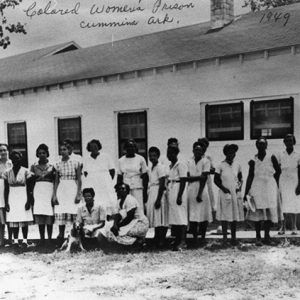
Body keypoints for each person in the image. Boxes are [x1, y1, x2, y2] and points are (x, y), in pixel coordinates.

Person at [244, 137, 281, 246]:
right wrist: (246, 191)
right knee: (257, 211)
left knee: (269, 211)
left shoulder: (271, 156)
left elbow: (278, 171)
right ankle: (258, 236)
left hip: (269, 186)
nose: (261, 146)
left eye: (263, 144)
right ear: (256, 145)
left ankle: (267, 235)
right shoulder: (253, 159)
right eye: (259, 144)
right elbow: (250, 175)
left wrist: (273, 182)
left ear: (266, 145)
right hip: (257, 186)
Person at [214, 144, 244, 246]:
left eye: (233, 152)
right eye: (229, 152)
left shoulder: (237, 165)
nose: (232, 154)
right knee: (225, 216)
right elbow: (216, 180)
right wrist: (224, 189)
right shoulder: (220, 165)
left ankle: (233, 238)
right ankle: (225, 238)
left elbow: (240, 178)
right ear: (225, 153)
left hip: (234, 193)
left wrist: (239, 188)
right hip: (225, 193)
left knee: (234, 215)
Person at [3, 150, 34, 247]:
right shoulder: (7, 172)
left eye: (18, 159)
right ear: (11, 160)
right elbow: (6, 189)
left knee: (24, 219)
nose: (16, 161)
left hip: (23, 195)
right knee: (14, 219)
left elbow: (29, 188)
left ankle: (25, 240)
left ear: (20, 159)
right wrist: (6, 202)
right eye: (14, 159)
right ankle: (15, 240)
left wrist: (28, 201)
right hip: (12, 196)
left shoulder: (26, 171)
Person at [52, 143, 82, 244]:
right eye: (61, 150)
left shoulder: (76, 162)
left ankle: (75, 235)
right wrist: (55, 195)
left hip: (72, 188)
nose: (63, 152)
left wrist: (78, 193)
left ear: (69, 150)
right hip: (62, 190)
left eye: (65, 149)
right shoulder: (57, 164)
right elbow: (56, 181)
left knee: (73, 211)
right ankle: (61, 235)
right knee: (61, 210)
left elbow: (79, 179)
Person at [186, 141, 212, 246]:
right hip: (191, 189)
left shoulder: (206, 161)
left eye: (200, 150)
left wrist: (200, 194)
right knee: (193, 214)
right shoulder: (189, 161)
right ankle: (195, 238)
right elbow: (187, 177)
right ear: (193, 150)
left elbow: (204, 177)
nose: (198, 151)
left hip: (202, 189)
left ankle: (203, 237)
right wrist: (198, 177)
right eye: (196, 149)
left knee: (203, 213)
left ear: (203, 151)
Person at [83, 139, 117, 215]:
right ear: (89, 149)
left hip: (105, 181)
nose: (94, 149)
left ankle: (107, 215)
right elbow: (85, 173)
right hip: (93, 182)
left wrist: (107, 180)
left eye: (95, 147)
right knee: (96, 197)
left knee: (106, 198)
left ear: (99, 147)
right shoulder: (87, 159)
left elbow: (112, 171)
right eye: (92, 147)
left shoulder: (106, 156)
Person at [30, 144, 55, 244]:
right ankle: (42, 238)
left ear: (47, 153)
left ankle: (49, 239)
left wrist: (54, 194)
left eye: (44, 153)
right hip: (38, 191)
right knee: (40, 214)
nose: (42, 155)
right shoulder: (33, 166)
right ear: (37, 154)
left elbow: (55, 179)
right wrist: (31, 194)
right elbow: (31, 181)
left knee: (49, 214)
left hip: (49, 190)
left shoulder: (52, 166)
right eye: (39, 153)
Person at [166, 145, 188, 251]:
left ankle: (183, 241)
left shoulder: (181, 164)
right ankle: (177, 239)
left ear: (176, 154)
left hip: (179, 189)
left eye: (171, 153)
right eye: (168, 153)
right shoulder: (171, 165)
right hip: (172, 189)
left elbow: (183, 180)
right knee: (175, 216)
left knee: (181, 216)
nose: (169, 155)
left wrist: (179, 196)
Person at [117, 139, 148, 213]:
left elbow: (145, 176)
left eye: (132, 147)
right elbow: (119, 177)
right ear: (125, 149)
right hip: (125, 188)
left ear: (135, 148)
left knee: (138, 206)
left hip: (137, 187)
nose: (130, 149)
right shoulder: (121, 160)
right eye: (128, 147)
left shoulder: (140, 159)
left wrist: (145, 192)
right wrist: (118, 192)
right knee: (127, 206)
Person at [146, 146, 168, 248]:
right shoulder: (150, 168)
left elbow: (162, 183)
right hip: (152, 192)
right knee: (155, 217)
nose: (152, 158)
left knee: (160, 216)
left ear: (158, 156)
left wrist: (159, 199)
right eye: (150, 156)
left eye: (154, 155)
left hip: (159, 192)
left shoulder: (160, 167)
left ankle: (162, 239)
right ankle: (156, 237)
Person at [278, 134, 300, 234]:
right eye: (286, 141)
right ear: (284, 142)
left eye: (290, 140)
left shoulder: (298, 154)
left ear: (294, 142)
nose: (288, 142)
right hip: (283, 180)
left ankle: (294, 227)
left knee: (294, 203)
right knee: (283, 203)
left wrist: (299, 184)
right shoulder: (281, 154)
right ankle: (283, 227)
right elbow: (278, 170)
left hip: (294, 180)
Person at [0, 143, 12, 246]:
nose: (3, 152)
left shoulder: (11, 163)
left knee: (9, 213)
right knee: (1, 215)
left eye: (5, 150)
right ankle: (2, 238)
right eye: (1, 150)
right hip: (0, 190)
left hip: (9, 189)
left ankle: (11, 238)